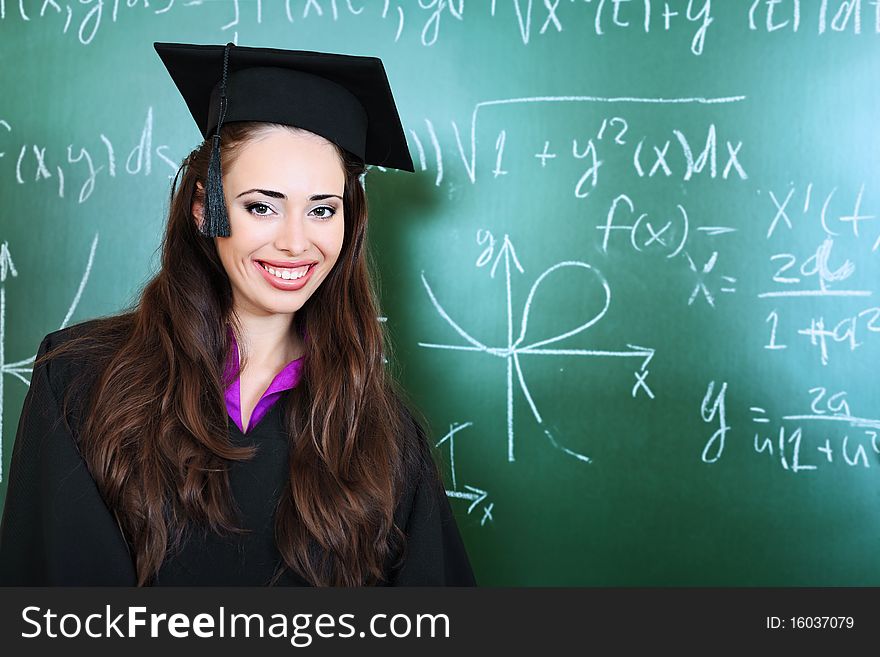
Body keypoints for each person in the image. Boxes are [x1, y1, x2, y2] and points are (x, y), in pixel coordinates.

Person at [0, 42, 476, 587]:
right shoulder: (80, 380)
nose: (296, 242)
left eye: (322, 209)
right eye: (261, 206)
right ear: (205, 207)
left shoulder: (379, 435)